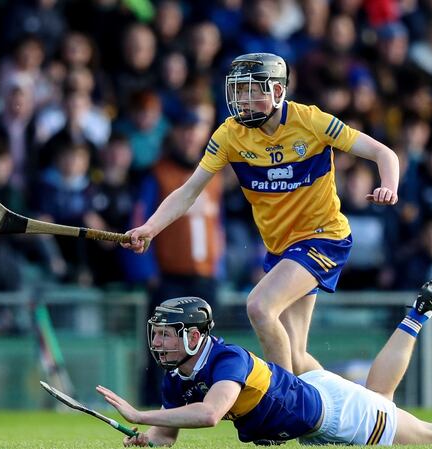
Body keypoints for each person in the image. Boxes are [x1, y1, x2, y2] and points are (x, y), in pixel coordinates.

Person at [123, 52, 400, 374]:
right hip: (282, 249)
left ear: (278, 92)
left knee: (259, 306)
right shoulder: (230, 135)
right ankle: (354, 407)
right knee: (296, 358)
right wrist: (151, 228)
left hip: (323, 238)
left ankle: (280, 404)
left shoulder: (311, 121)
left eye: (253, 90)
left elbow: (384, 153)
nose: (243, 99)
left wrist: (389, 186)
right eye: (239, 91)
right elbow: (188, 191)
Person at [95, 274, 432, 446]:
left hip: (333, 415)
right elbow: (166, 438)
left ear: (195, 336)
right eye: (155, 334)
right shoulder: (178, 378)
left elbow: (212, 413)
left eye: (166, 335)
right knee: (379, 396)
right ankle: (416, 314)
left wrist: (139, 413)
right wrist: (145, 439)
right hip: (314, 400)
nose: (157, 343)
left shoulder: (227, 361)